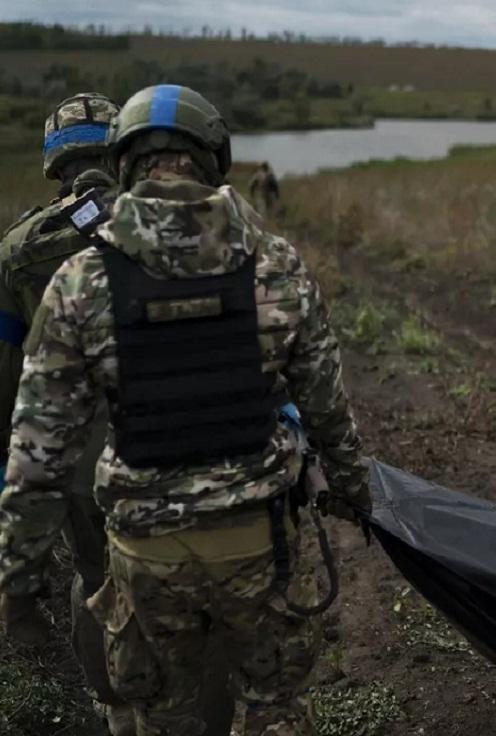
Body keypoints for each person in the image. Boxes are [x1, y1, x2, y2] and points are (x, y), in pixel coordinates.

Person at [0, 83, 372, 736]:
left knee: (159, 712)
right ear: (215, 156)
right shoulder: (275, 264)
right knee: (271, 707)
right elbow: (325, 409)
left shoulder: (81, 280)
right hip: (257, 541)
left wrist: (18, 580)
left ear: (124, 162)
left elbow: (37, 457)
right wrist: (351, 488)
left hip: (142, 549)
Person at [0, 92, 138, 733]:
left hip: (77, 458)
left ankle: (116, 714)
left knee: (95, 575)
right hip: (171, 442)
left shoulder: (18, 250)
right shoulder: (167, 224)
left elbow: (8, 379)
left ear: (54, 163)